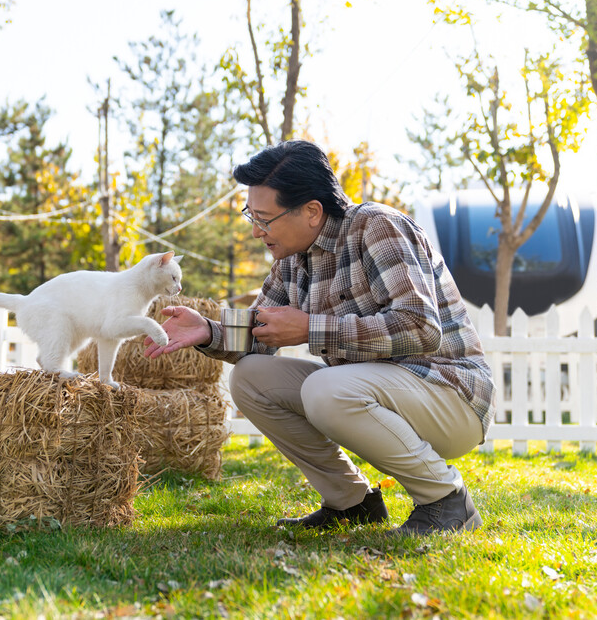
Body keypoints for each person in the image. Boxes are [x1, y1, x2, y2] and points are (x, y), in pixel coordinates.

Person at [143, 140, 495, 536]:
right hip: (374, 392)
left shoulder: (377, 227)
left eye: (265, 218)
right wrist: (208, 330)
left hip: (450, 395)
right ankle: (352, 503)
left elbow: (420, 327)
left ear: (312, 210)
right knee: (251, 377)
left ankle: (446, 501)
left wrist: (310, 326)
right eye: (250, 216)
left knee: (325, 388)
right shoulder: (290, 260)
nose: (257, 231)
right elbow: (259, 337)